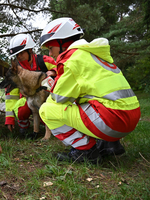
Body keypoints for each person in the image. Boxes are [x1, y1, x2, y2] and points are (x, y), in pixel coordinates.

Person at [38, 17, 141, 163]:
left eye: (50, 48)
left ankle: (85, 152)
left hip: (112, 120)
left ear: (63, 42)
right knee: (86, 99)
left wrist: (53, 85)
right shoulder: (92, 54)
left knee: (47, 109)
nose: (50, 54)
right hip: (130, 116)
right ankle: (109, 144)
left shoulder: (72, 59)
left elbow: (59, 98)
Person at [5, 33, 57, 138]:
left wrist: (54, 72)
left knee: (45, 114)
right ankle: (23, 128)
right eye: (16, 54)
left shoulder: (43, 61)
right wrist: (9, 118)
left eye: (21, 53)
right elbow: (11, 95)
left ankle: (52, 126)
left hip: (48, 96)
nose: (18, 57)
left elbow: (61, 69)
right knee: (22, 111)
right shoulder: (16, 70)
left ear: (30, 50)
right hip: (27, 98)